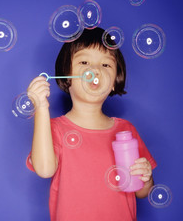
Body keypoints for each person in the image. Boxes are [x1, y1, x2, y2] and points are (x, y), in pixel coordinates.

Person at [25, 27, 157, 221]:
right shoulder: (55, 129)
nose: (95, 70)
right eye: (84, 62)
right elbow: (44, 169)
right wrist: (41, 109)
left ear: (114, 82)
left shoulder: (125, 130)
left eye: (106, 65)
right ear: (66, 75)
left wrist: (146, 178)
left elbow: (142, 192)